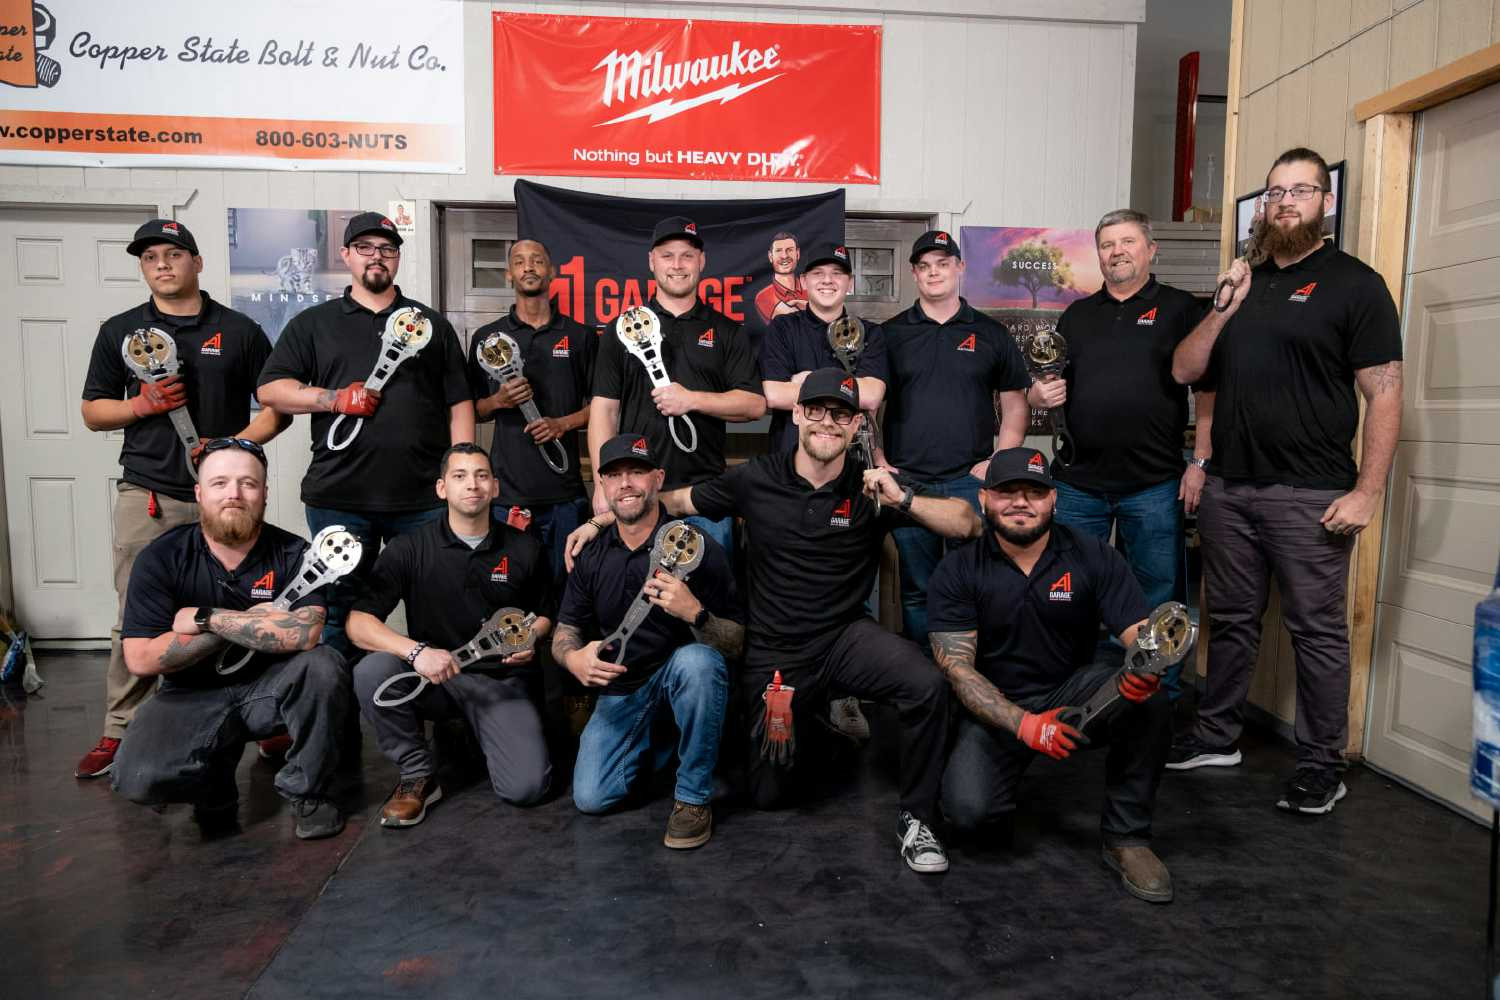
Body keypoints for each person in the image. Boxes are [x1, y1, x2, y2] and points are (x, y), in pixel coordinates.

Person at [570, 370, 982, 873]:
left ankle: (919, 819)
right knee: (769, 793)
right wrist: (601, 519)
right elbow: (673, 501)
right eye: (816, 411)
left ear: (856, 426)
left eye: (841, 415)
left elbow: (967, 522)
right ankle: (823, 734)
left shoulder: (872, 489)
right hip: (774, 651)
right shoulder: (755, 478)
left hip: (844, 638)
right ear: (797, 415)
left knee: (925, 684)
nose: (827, 423)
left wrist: (904, 499)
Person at [1166, 147, 1404, 815]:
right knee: (1232, 619)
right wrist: (1221, 306)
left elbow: (1385, 392)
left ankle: (1323, 763)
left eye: (1301, 190)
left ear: (1325, 204)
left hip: (1312, 492)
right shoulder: (1244, 284)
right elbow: (1187, 372)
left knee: (1316, 630)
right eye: (1276, 192)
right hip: (1230, 489)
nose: (1286, 201)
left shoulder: (1356, 284)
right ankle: (1218, 735)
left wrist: (1367, 491)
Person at [76, 219, 290, 781]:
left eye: (173, 254)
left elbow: (274, 408)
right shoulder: (121, 332)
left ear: (197, 262)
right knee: (135, 615)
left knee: (254, 606)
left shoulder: (240, 331)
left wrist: (233, 449)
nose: (162, 265)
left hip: (224, 498)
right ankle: (120, 729)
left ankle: (267, 721)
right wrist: (140, 407)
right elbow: (94, 410)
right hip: (150, 494)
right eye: (150, 258)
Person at [928, 447, 1173, 902]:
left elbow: (1138, 633)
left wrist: (1149, 662)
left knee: (1151, 700)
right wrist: (1024, 725)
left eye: (1035, 492)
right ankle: (1004, 779)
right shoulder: (959, 568)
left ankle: (1128, 838)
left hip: (1071, 689)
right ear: (984, 499)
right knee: (968, 814)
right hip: (995, 706)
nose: (1021, 502)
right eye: (1007, 492)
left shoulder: (1092, 555)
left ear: (1053, 499)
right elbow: (958, 669)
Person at [257, 212, 475, 655]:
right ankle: (340, 715)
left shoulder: (430, 325)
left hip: (421, 499)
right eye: (366, 248)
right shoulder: (313, 324)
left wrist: (460, 471)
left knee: (438, 602)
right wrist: (333, 398)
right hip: (340, 496)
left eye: (387, 250)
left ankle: (439, 711)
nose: (377, 257)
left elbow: (460, 404)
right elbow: (271, 389)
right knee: (337, 608)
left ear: (397, 259)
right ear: (346, 256)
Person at [110, 438, 350, 840]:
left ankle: (309, 792)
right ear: (199, 493)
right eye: (220, 483)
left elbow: (306, 634)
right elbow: (140, 658)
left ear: (265, 493)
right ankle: (212, 785)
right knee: (137, 778)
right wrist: (242, 624)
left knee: (325, 666)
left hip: (269, 689)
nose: (234, 494)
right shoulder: (162, 556)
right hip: (191, 693)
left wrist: (206, 618)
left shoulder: (295, 554)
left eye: (247, 483)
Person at [1027, 209, 1211, 699]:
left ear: (1151, 249)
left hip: (1153, 484)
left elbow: (1207, 391)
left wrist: (1200, 462)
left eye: (1128, 241)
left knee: (1156, 597)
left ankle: (1157, 698)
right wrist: (1038, 398)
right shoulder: (1077, 314)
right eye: (1108, 244)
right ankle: (1071, 692)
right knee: (1068, 590)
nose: (1117, 252)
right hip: (1078, 482)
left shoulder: (1180, 309)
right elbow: (1049, 389)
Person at [347, 444, 554, 827]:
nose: (471, 485)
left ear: (494, 487)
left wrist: (530, 637)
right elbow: (358, 624)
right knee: (372, 670)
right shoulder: (408, 548)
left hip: (501, 683)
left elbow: (546, 615)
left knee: (526, 790)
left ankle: (478, 734)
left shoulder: (525, 547)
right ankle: (416, 775)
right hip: (435, 678)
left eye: (480, 476)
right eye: (459, 476)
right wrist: (416, 652)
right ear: (442, 489)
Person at [552, 433, 742, 850]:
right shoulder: (592, 554)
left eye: (636, 472)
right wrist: (573, 659)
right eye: (614, 475)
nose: (626, 484)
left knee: (698, 663)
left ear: (658, 478)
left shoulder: (698, 547)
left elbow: (738, 642)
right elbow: (564, 633)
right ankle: (669, 744)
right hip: (622, 690)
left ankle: (693, 797)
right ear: (601, 486)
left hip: (679, 677)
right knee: (591, 797)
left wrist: (695, 613)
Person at [759, 242, 887, 742]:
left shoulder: (870, 333)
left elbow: (873, 395)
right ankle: (785, 687)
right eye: (819, 273)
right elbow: (771, 394)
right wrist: (842, 384)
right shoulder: (784, 328)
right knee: (785, 584)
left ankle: (847, 691)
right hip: (789, 477)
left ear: (850, 284)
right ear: (804, 282)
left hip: (852, 474)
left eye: (838, 273)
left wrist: (805, 381)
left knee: (856, 584)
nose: (829, 280)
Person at [880, 230, 1032, 649]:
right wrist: (877, 457)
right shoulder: (889, 335)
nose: (934, 273)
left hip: (970, 481)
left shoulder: (991, 333)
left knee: (977, 586)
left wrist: (999, 464)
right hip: (909, 482)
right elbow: (868, 407)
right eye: (925, 266)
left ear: (960, 268)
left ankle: (973, 680)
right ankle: (926, 682)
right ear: (914, 273)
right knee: (918, 589)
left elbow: (1016, 407)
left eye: (943, 264)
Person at [588, 216, 765, 556]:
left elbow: (754, 405)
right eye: (668, 256)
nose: (678, 265)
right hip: (636, 495)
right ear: (652, 261)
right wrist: (601, 485)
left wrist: (692, 400)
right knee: (640, 598)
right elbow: (604, 411)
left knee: (709, 600)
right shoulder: (622, 330)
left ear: (702, 262)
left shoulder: (727, 330)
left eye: (687, 255)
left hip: (704, 497)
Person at [468, 238, 594, 577]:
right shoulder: (487, 338)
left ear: (551, 272)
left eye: (537, 260)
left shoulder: (580, 337)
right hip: (507, 496)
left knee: (567, 589)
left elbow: (604, 408)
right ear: (509, 274)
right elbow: (472, 410)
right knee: (511, 589)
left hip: (565, 495)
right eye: (520, 261)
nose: (528, 267)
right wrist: (499, 400)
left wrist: (562, 424)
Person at [753, 231, 807, 324]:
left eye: (790, 250)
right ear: (770, 256)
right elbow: (796, 324)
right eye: (778, 251)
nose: (784, 256)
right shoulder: (764, 296)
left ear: (797, 254)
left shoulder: (811, 285)